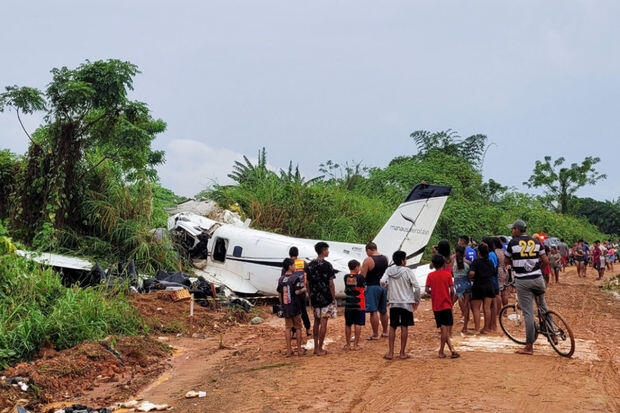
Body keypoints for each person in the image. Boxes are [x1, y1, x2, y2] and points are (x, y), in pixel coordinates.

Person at [504, 219, 550, 355]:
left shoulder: (512, 243)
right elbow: (546, 261)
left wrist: (516, 263)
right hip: (538, 278)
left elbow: (506, 261)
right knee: (543, 306)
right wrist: (536, 269)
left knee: (528, 312)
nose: (512, 231)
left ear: (517, 230)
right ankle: (552, 333)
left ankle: (529, 346)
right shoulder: (537, 242)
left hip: (523, 280)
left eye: (513, 229)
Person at [379, 250, 420, 360]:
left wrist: (388, 288)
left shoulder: (389, 270)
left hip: (394, 302)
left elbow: (382, 282)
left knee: (392, 327)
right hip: (406, 303)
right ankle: (402, 353)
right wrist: (416, 300)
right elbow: (417, 287)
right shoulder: (408, 271)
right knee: (404, 327)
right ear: (403, 261)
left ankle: (391, 352)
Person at [306, 241, 337, 356]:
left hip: (314, 297)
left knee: (316, 321)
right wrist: (333, 298)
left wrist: (310, 296)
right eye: (327, 250)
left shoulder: (309, 266)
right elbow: (331, 284)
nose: (328, 252)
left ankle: (315, 347)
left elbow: (307, 284)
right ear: (323, 250)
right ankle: (320, 348)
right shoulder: (327, 265)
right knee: (324, 322)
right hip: (326, 297)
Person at [426, 254, 459, 359]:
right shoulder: (448, 275)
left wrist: (434, 294)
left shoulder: (430, 276)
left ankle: (452, 349)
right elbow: (452, 290)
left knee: (443, 328)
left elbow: (427, 290)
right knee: (445, 328)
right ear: (444, 264)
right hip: (446, 304)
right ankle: (442, 350)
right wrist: (451, 300)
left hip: (436, 305)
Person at [277, 258, 307, 357]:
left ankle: (289, 350)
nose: (295, 267)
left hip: (286, 306)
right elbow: (297, 292)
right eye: (294, 265)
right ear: (290, 266)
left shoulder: (281, 279)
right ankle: (299, 350)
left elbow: (279, 293)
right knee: (298, 327)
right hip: (295, 306)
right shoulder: (295, 278)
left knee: (288, 328)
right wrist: (304, 289)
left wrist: (282, 305)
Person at [361, 242, 389, 340]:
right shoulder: (385, 258)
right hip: (383, 286)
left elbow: (362, 276)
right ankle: (385, 332)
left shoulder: (369, 260)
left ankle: (375, 334)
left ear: (369, 250)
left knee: (373, 311)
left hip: (372, 286)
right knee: (383, 310)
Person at [468, 243, 496, 334]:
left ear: (478, 252)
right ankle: (486, 328)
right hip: (489, 284)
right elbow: (493, 272)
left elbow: (472, 273)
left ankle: (476, 328)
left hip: (478, 285)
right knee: (487, 308)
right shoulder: (490, 262)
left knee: (476, 308)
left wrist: (470, 276)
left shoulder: (476, 262)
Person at [287, 246, 312, 338]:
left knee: (293, 312)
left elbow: (284, 276)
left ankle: (294, 332)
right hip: (301, 290)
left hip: (291, 292)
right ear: (297, 254)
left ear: (290, 254)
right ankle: (308, 329)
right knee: (303, 311)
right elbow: (308, 275)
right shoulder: (303, 263)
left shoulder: (288, 264)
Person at [343, 259, 366, 350]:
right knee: (357, 323)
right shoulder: (360, 277)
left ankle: (348, 344)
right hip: (359, 303)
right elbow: (363, 288)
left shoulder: (346, 277)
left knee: (348, 324)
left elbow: (347, 289)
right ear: (356, 267)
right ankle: (356, 345)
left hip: (349, 303)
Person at [452, 244, 472, 333]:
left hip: (457, 285)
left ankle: (448, 327)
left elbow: (452, 274)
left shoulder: (454, 263)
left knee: (450, 304)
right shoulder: (467, 264)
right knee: (466, 306)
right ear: (464, 253)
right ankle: (465, 327)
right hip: (466, 283)